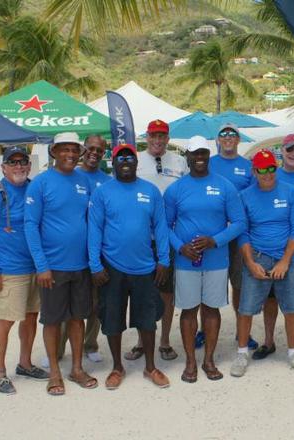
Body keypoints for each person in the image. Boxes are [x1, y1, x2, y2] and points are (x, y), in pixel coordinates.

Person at [88, 144, 171, 389]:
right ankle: (117, 367)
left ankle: (150, 367)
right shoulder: (103, 192)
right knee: (112, 319)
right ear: (114, 163)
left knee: (147, 320)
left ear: (136, 162)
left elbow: (161, 226)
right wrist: (94, 265)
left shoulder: (150, 191)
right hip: (111, 267)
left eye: (130, 157)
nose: (125, 161)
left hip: (145, 267)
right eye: (120, 157)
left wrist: (164, 260)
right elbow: (95, 229)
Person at [165, 136, 246, 382]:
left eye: (203, 153)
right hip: (185, 261)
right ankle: (190, 361)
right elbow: (164, 226)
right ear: (187, 157)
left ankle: (209, 359)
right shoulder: (176, 189)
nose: (198, 158)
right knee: (188, 311)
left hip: (216, 260)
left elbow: (240, 222)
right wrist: (180, 247)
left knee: (211, 310)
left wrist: (216, 240)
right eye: (194, 154)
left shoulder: (224, 186)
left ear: (208, 155)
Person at [24, 132, 97, 396]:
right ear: (53, 152)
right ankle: (54, 371)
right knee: (53, 321)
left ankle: (77, 368)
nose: (69, 154)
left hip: (81, 266)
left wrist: (93, 260)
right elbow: (30, 225)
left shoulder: (84, 182)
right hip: (52, 268)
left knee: (78, 319)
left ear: (79, 153)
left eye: (73, 149)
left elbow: (90, 220)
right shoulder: (41, 183)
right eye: (63, 149)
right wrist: (41, 265)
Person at [0, 146, 49, 394]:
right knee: (5, 320)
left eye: (23, 161)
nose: (19, 166)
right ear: (3, 167)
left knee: (30, 317)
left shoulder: (33, 188)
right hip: (8, 270)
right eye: (13, 162)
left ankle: (25, 363)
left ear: (29, 165)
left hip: (35, 268)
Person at [231, 149, 294, 377]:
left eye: (271, 169)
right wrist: (250, 263)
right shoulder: (245, 196)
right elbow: (243, 233)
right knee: (245, 309)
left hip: (285, 258)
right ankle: (242, 353)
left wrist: (286, 261)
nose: (267, 174)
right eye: (262, 169)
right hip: (257, 257)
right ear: (254, 171)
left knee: (293, 308)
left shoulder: (290, 192)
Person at [128, 119, 189, 362]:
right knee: (142, 290)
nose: (157, 140)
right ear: (146, 136)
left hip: (169, 237)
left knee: (166, 291)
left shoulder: (179, 161)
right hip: (141, 238)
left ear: (167, 137)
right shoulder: (136, 159)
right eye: (153, 135)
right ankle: (142, 341)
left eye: (162, 135)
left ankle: (164, 341)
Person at [256, 133, 294, 361]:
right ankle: (269, 341)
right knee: (270, 298)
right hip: (272, 244)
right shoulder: (270, 174)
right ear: (282, 151)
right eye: (290, 149)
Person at [55, 134, 111, 365]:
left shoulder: (107, 181)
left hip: (99, 252)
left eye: (100, 150)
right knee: (66, 305)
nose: (94, 153)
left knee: (96, 303)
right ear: (82, 150)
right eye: (90, 149)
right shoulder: (71, 176)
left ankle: (90, 344)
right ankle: (58, 350)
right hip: (72, 252)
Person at [207, 123, 258, 351]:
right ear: (218, 140)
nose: (228, 137)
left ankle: (242, 331)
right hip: (213, 236)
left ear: (239, 140)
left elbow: (255, 198)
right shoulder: (207, 164)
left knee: (240, 285)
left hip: (239, 235)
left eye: (232, 134)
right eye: (223, 134)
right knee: (208, 284)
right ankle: (203, 330)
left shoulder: (247, 167)